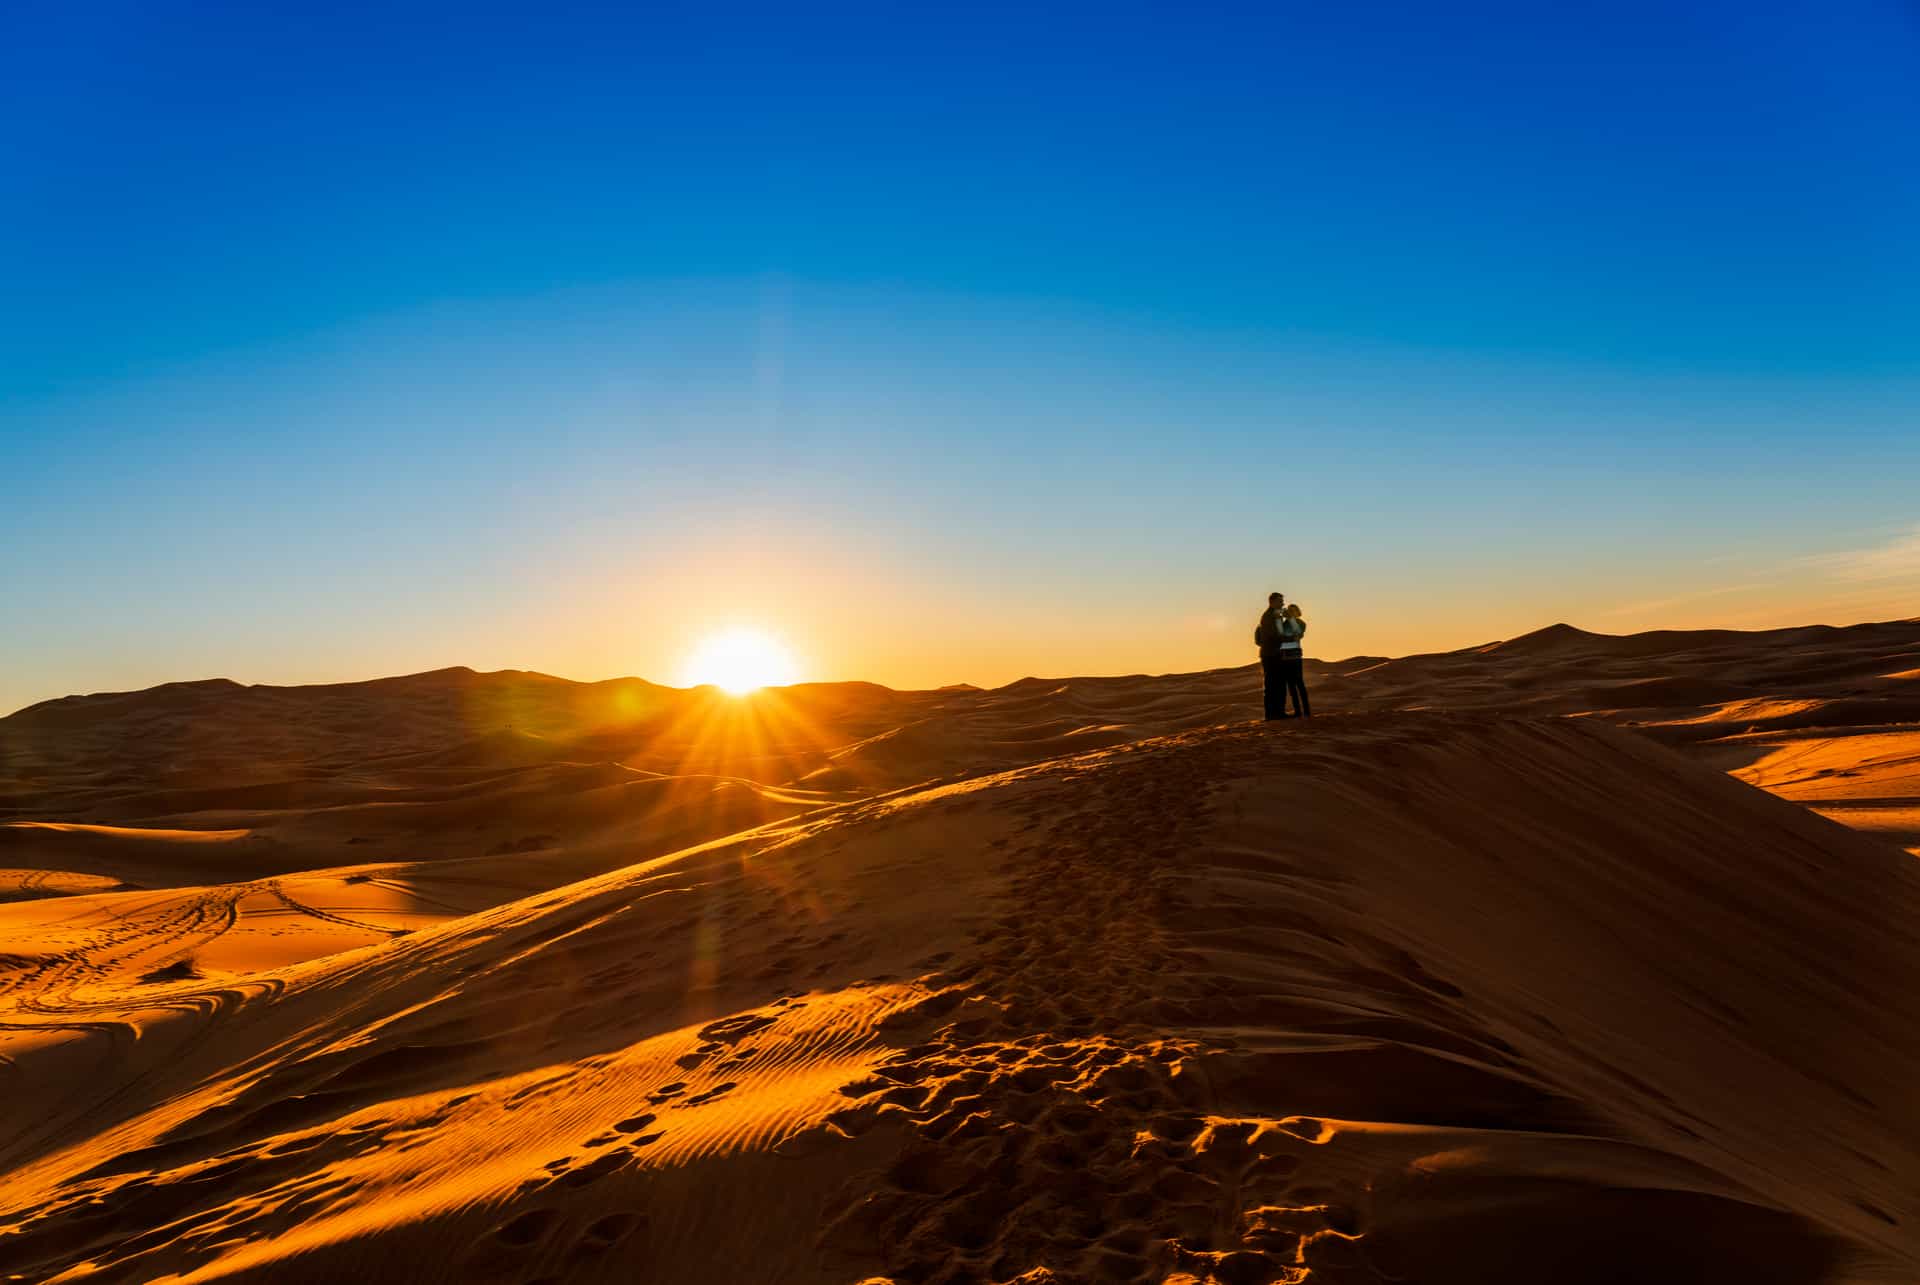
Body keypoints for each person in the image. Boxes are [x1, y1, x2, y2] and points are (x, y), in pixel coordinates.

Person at [1253, 592, 1289, 719]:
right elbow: (1274, 636)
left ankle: (1277, 712)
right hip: (1271, 655)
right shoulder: (1269, 617)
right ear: (1272, 602)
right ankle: (1273, 714)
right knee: (1273, 684)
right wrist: (1286, 637)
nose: (1283, 604)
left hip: (1273, 654)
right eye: (1280, 601)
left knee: (1277, 683)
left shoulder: (1273, 616)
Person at [1279, 602, 1310, 718]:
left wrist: (1287, 637)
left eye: (1293, 611)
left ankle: (1306, 711)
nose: (1290, 613)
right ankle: (1298, 711)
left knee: (1299, 684)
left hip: (1295, 656)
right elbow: (1280, 637)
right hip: (1284, 656)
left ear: (1297, 612)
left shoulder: (1301, 623)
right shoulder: (1284, 623)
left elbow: (1298, 634)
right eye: (1289, 610)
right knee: (1291, 686)